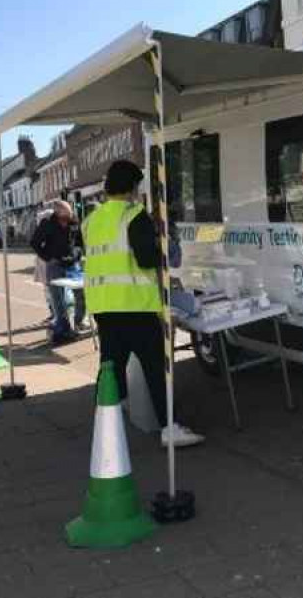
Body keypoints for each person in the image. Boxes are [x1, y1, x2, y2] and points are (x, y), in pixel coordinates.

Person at [82, 160, 203, 448]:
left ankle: (105, 421)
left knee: (110, 367)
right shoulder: (133, 215)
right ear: (133, 187)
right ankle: (169, 427)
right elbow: (148, 259)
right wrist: (165, 244)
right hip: (136, 306)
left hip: (103, 306)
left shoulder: (92, 220)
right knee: (156, 370)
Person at [30, 200, 86, 345]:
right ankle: (65, 328)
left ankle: (79, 321)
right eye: (64, 217)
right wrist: (49, 257)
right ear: (57, 214)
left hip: (73, 264)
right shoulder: (47, 223)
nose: (67, 220)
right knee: (58, 300)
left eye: (69, 216)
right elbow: (35, 243)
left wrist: (78, 254)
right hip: (55, 265)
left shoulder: (74, 221)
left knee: (81, 294)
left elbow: (80, 241)